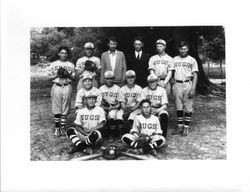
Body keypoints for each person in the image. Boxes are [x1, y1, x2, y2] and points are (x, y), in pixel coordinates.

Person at [172, 41, 198, 136]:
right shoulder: (174, 59)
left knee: (188, 107)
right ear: (179, 49)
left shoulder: (192, 60)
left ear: (188, 49)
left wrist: (193, 89)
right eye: (181, 49)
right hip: (177, 84)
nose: (183, 50)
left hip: (188, 83)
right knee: (178, 106)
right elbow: (171, 72)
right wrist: (171, 79)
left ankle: (186, 127)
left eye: (185, 48)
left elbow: (195, 75)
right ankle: (179, 126)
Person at [47, 46, 75, 136]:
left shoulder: (70, 64)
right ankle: (57, 128)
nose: (63, 55)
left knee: (65, 107)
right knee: (57, 107)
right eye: (62, 53)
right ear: (59, 53)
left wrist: (68, 75)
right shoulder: (53, 64)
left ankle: (62, 127)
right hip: (57, 86)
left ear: (67, 54)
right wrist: (57, 75)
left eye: (65, 53)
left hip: (67, 86)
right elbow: (48, 78)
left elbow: (74, 78)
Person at [99, 71, 121, 142]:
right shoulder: (101, 88)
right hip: (103, 107)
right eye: (107, 79)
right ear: (105, 79)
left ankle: (112, 134)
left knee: (112, 115)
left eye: (111, 78)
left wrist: (113, 107)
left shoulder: (117, 88)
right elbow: (99, 102)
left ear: (113, 79)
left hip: (114, 107)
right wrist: (104, 108)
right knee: (100, 114)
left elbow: (119, 103)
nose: (109, 80)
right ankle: (101, 133)